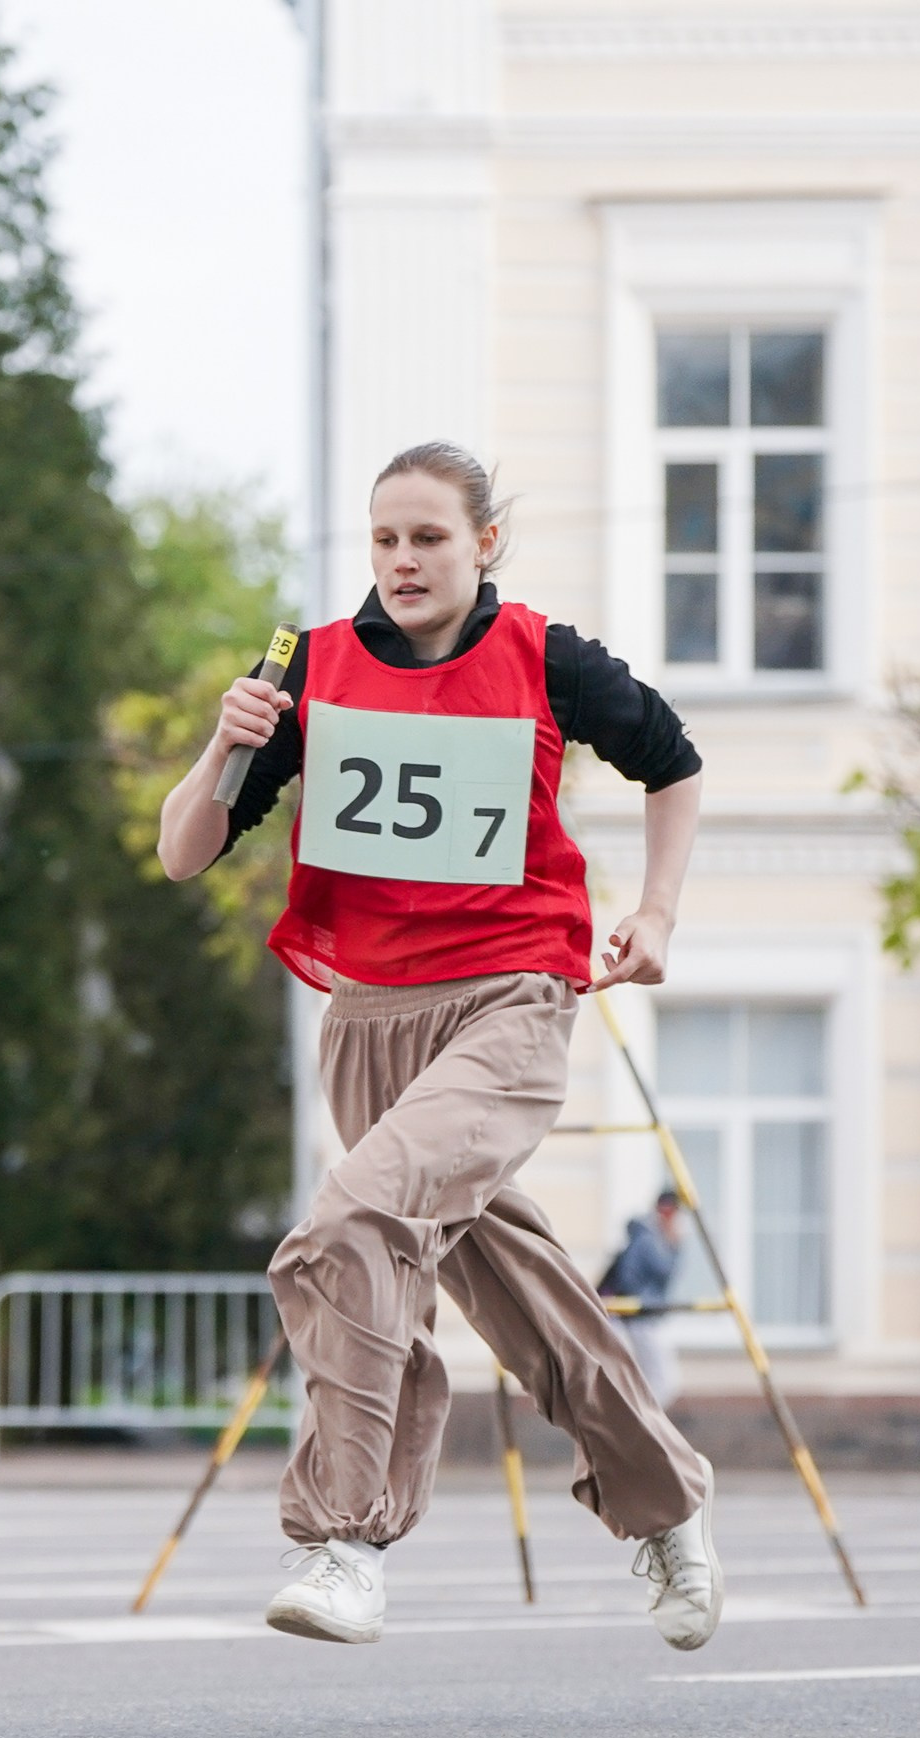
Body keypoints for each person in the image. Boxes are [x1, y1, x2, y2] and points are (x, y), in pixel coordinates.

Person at [157, 441, 723, 1650]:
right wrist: (224, 744)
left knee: (350, 1228)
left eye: (428, 538)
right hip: (368, 1022)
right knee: (519, 1292)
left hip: (509, 1003)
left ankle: (344, 1539)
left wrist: (658, 913)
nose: (403, 562)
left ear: (483, 545)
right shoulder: (310, 670)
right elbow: (182, 852)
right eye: (383, 540)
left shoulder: (548, 657)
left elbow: (671, 765)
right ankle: (666, 1501)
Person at [599, 1189, 685, 1410]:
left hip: (641, 1316)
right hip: (641, 1317)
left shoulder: (648, 1237)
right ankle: (643, 1422)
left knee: (652, 1379)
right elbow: (645, 1274)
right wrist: (674, 1248)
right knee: (664, 1381)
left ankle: (641, 1421)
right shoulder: (648, 1239)